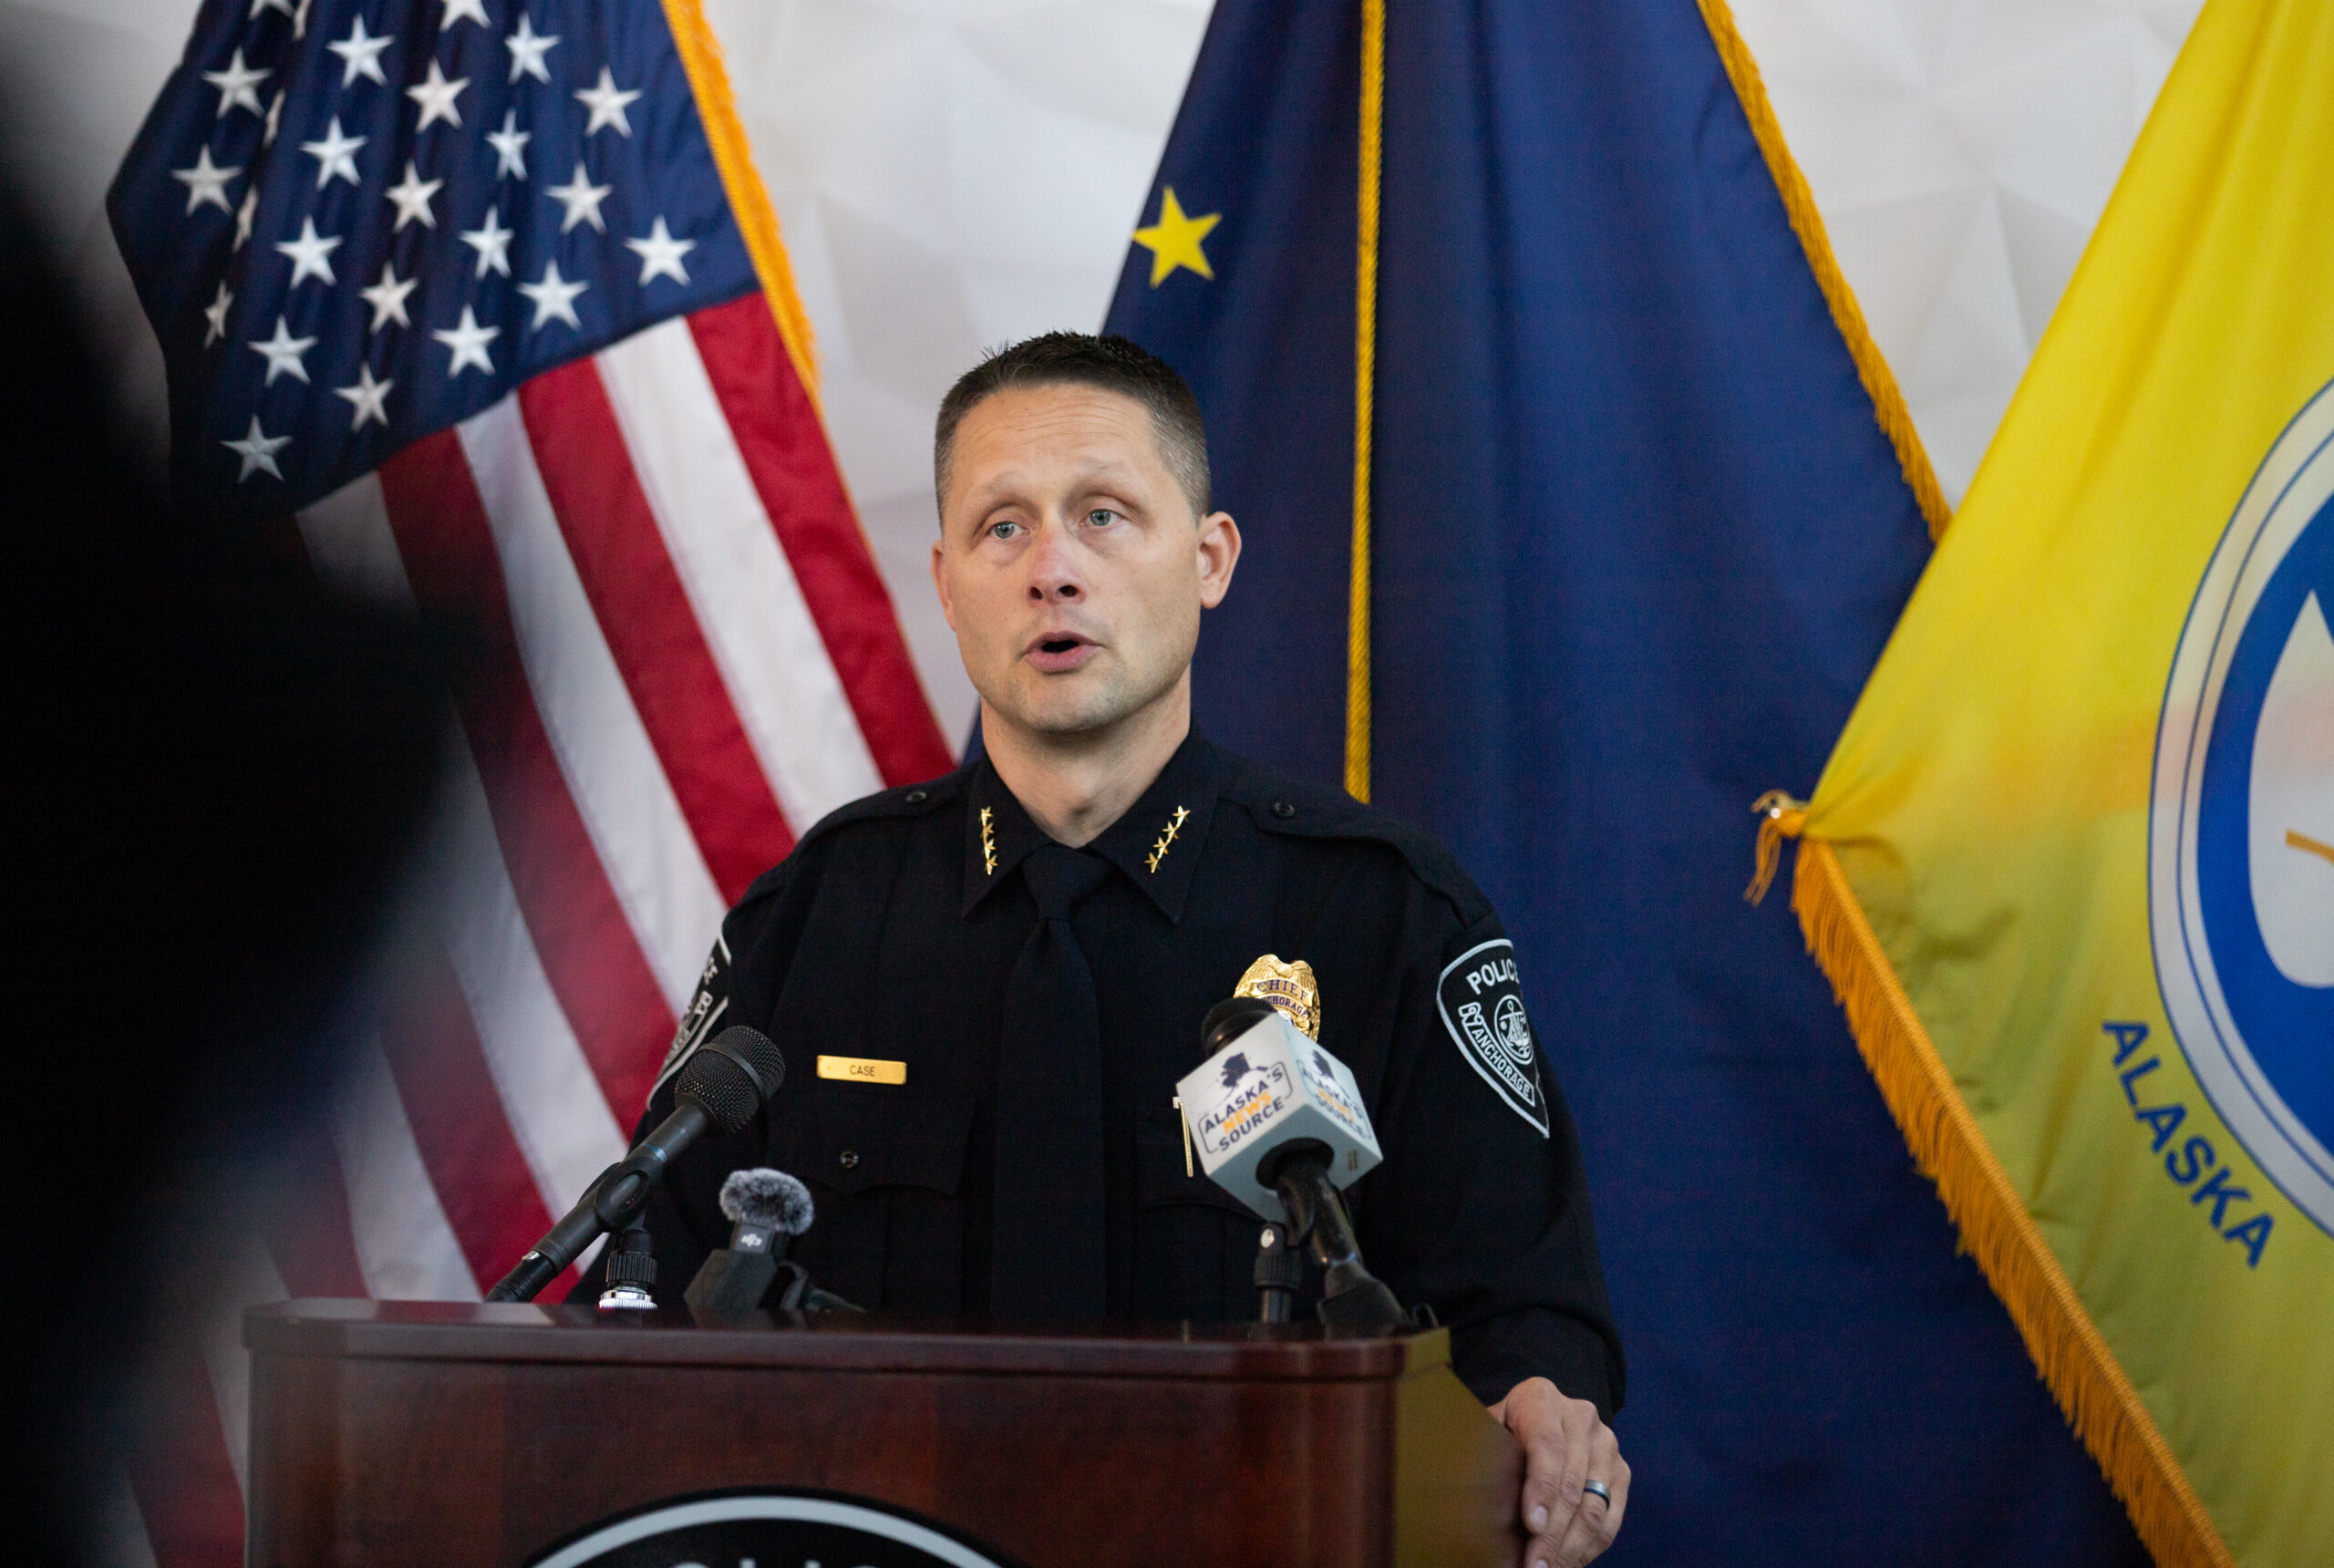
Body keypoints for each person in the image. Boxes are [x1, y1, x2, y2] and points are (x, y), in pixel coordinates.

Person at [600, 333, 1629, 1568]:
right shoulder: (818, 915)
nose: (1054, 572)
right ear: (944, 579)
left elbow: (1524, 1315)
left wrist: (1536, 1404)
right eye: (1003, 529)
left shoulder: (1384, 917)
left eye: (1103, 516)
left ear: (1209, 561)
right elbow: (642, 1283)